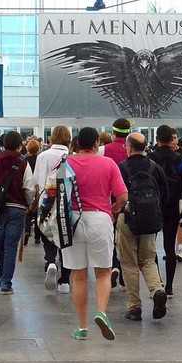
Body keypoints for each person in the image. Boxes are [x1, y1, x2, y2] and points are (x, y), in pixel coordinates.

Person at [59, 127, 127, 341]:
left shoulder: (66, 163)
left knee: (78, 276)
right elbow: (123, 195)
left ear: (77, 143)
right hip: (100, 219)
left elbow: (57, 192)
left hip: (73, 221)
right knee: (104, 272)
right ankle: (101, 312)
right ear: (97, 142)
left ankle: (82, 327)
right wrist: (114, 210)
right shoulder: (108, 163)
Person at [116, 132, 169, 320]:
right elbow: (165, 194)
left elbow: (117, 195)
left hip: (127, 218)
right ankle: (157, 290)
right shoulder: (155, 167)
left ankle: (134, 306)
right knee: (148, 259)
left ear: (128, 147)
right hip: (150, 219)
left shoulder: (121, 167)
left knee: (129, 262)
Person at [0, 130, 33, 294]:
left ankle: (2, 277)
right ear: (20, 145)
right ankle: (6, 282)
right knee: (10, 245)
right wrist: (29, 205)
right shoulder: (23, 163)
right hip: (17, 208)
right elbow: (28, 188)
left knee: (0, 244)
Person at [148, 124, 182, 296]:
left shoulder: (150, 158)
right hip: (173, 206)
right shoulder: (180, 159)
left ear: (157, 138)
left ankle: (157, 283)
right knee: (169, 248)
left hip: (153, 206)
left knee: (151, 248)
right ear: (172, 139)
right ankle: (170, 286)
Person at [32, 125, 72, 294]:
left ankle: (50, 262)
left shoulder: (42, 156)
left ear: (51, 138)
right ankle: (64, 282)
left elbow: (35, 182)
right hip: (67, 205)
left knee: (48, 236)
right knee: (66, 241)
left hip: (45, 203)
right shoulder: (71, 157)